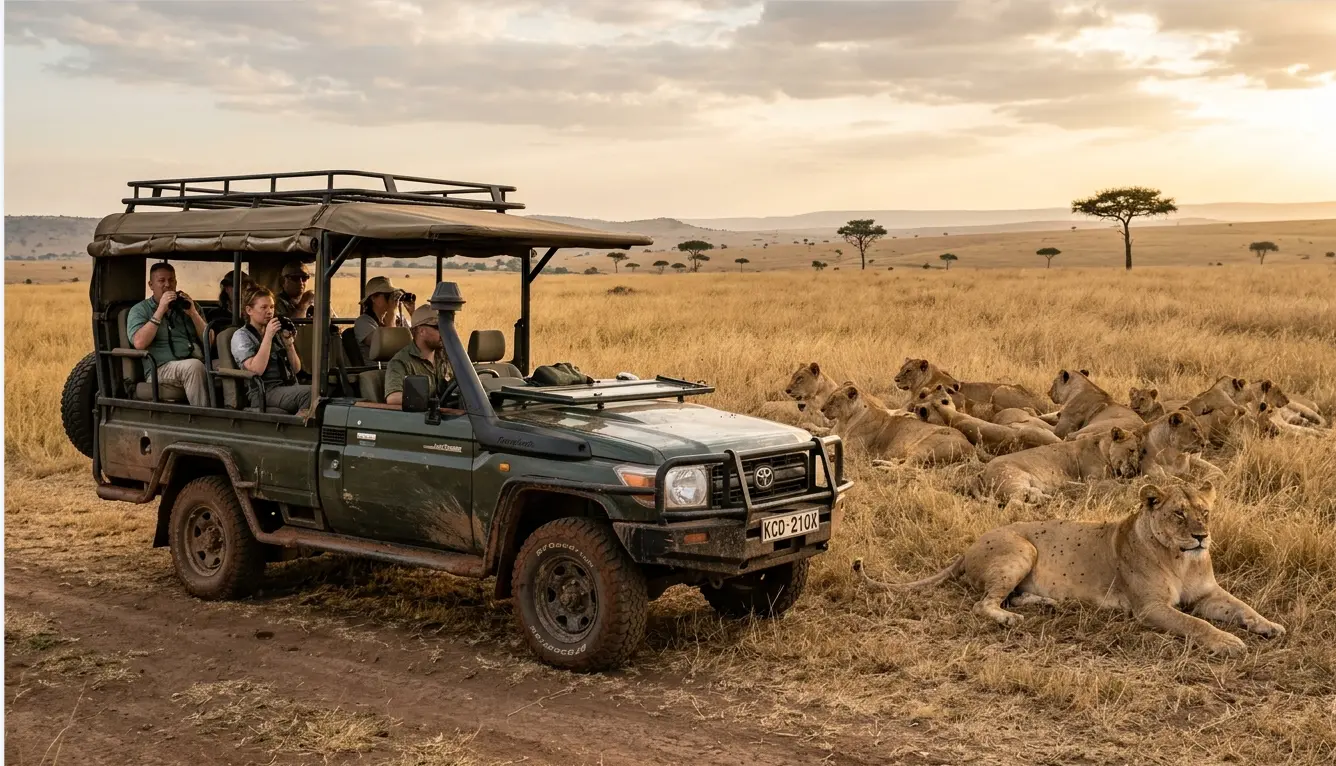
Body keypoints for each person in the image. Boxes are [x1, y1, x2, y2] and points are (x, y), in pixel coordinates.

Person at [127, 262, 209, 405]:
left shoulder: (187, 306)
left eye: (171, 280)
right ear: (151, 285)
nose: (167, 285)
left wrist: (193, 314)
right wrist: (160, 310)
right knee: (193, 367)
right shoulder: (140, 310)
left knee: (225, 366)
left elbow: (210, 341)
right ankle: (205, 420)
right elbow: (139, 343)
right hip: (159, 368)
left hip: (193, 360)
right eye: (161, 281)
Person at [230, 286, 312, 415]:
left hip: (287, 387)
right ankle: (298, 430)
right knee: (311, 393)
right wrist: (268, 336)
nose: (269, 312)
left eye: (272, 307)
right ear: (249, 310)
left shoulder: (275, 333)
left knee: (321, 389)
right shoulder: (241, 336)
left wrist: (289, 344)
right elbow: (256, 370)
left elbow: (296, 369)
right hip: (263, 391)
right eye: (264, 307)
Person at [385, 305, 451, 407]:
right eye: (438, 327)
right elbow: (393, 397)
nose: (444, 332)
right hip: (422, 419)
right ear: (421, 331)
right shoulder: (401, 362)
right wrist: (427, 401)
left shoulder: (446, 355)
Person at [353, 275, 415, 363]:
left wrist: (413, 313)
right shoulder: (363, 322)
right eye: (387, 295)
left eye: (393, 294)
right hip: (377, 371)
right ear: (374, 298)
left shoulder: (398, 318)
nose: (392, 298)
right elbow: (387, 347)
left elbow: (416, 341)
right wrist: (391, 313)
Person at [205, 269, 253, 341]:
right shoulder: (216, 315)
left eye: (248, 288)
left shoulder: (255, 314)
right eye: (242, 287)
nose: (245, 292)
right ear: (227, 289)